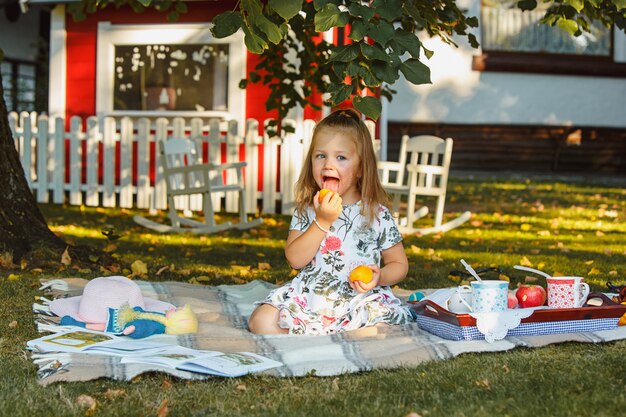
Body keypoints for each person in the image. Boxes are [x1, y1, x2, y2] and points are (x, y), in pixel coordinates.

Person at [248, 108, 412, 335]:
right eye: (321, 155)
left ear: (360, 168)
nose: (328, 164)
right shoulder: (307, 210)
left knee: (380, 330)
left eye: (341, 157)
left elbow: (399, 264)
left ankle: (328, 338)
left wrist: (380, 277)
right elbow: (295, 260)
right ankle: (324, 339)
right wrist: (322, 221)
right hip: (311, 295)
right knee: (261, 321)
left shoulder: (376, 213)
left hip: (359, 299)